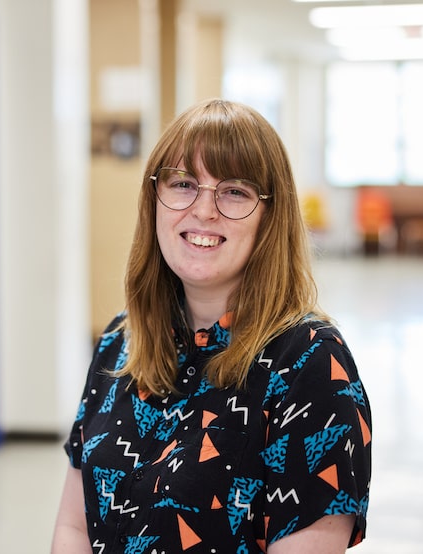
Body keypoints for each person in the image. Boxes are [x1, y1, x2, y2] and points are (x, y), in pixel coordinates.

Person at [52, 99, 371, 553]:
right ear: (155, 200)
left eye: (234, 191)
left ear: (270, 216)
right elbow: (74, 528)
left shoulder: (311, 362)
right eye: (183, 184)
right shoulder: (120, 340)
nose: (204, 210)